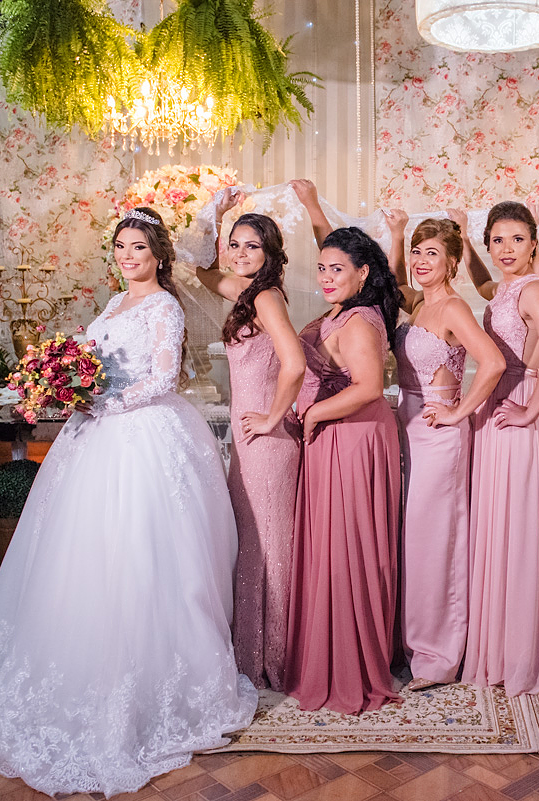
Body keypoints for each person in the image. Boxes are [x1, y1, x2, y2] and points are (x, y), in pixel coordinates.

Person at [0, 208, 257, 797]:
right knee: (82, 554)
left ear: (158, 255)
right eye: (122, 247)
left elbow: (161, 380)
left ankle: (150, 679)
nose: (129, 257)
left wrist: (105, 402)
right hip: (95, 433)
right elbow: (90, 358)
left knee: (143, 552)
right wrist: (65, 383)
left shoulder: (163, 306)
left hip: (144, 435)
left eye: (139, 248)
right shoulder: (111, 304)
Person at [453, 202, 539, 695]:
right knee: (499, 527)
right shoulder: (504, 288)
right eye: (497, 240)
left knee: (520, 528)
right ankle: (500, 647)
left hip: (517, 412)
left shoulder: (536, 290)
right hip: (495, 413)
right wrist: (463, 239)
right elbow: (486, 288)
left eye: (517, 240)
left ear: (534, 245)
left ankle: (524, 652)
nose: (506, 249)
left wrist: (531, 409)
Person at [284, 226, 404, 715]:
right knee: (333, 547)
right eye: (322, 268)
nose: (327, 277)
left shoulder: (357, 321)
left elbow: (370, 386)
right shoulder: (340, 312)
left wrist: (313, 414)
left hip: (353, 438)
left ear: (363, 272)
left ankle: (351, 664)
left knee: (348, 549)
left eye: (338, 269)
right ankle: (328, 653)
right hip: (340, 436)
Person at [383, 214, 505, 691]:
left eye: (431, 253)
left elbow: (492, 362)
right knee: (412, 541)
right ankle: (412, 645)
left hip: (439, 435)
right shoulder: (416, 305)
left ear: (452, 262)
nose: (420, 261)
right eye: (417, 252)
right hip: (408, 429)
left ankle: (437, 657)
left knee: (435, 544)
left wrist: (458, 413)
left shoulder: (454, 308)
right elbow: (393, 285)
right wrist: (397, 238)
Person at [195, 189, 305, 691]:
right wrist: (213, 217)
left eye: (252, 247)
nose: (240, 254)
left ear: (271, 254)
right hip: (249, 442)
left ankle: (276, 657)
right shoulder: (243, 291)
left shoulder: (264, 297)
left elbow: (295, 362)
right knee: (252, 544)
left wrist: (271, 418)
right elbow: (199, 270)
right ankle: (252, 651)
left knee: (269, 547)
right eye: (235, 245)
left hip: (267, 442)